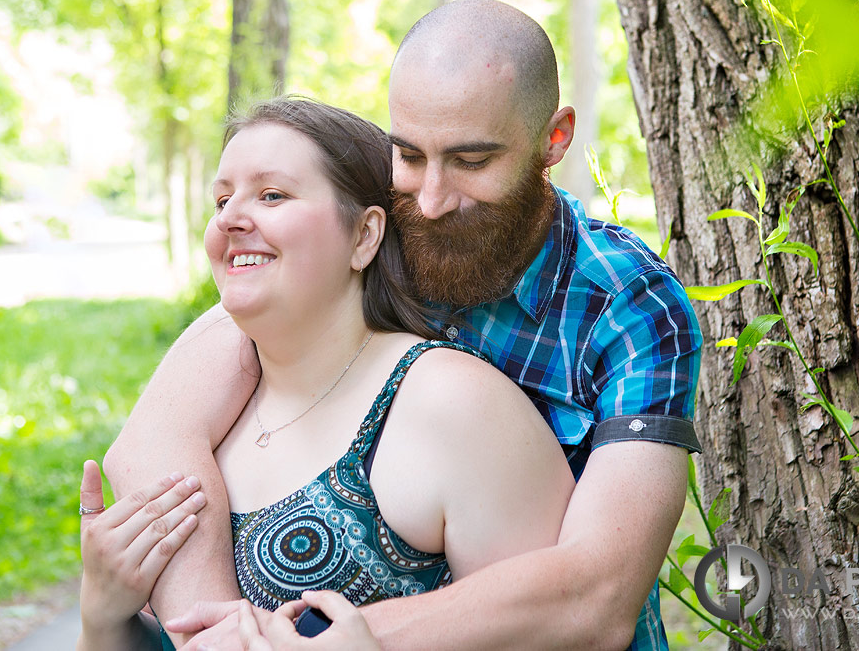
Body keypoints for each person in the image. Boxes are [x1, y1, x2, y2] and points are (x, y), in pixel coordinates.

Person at [105, 0, 703, 650]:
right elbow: (152, 441)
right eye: (410, 154)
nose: (433, 197)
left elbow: (600, 595)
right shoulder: (379, 227)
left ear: (552, 139)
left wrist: (331, 639)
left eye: (472, 162)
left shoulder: (631, 307)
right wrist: (221, 630)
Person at [80, 97, 574, 649]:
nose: (230, 217)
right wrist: (104, 618)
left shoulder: (454, 404)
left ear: (364, 236)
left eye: (272, 195)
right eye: (222, 199)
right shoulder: (208, 413)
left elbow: (554, 633)